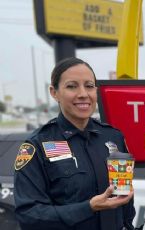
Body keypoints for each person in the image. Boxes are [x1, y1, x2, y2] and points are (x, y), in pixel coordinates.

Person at [14, 57, 136, 230]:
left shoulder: (113, 137)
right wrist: (89, 207)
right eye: (71, 86)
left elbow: (125, 203)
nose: (83, 94)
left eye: (89, 86)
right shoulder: (38, 145)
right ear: (54, 92)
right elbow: (29, 215)